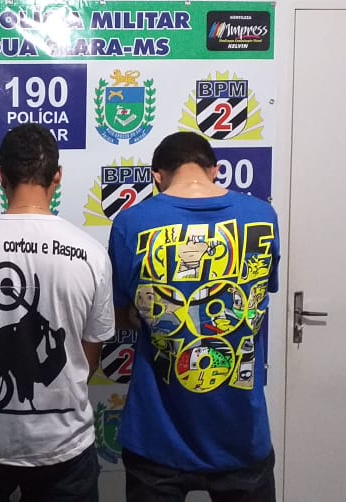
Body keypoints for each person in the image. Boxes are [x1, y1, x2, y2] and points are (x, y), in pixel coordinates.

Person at [0, 123, 115, 501]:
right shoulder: (91, 254)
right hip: (64, 446)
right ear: (57, 176)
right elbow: (90, 359)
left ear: (1, 176)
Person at [109, 132, 280, 501]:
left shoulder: (130, 223)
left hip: (158, 434)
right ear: (214, 170)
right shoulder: (262, 216)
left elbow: (121, 315)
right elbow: (256, 297)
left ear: (157, 176)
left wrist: (142, 313)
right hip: (240, 430)